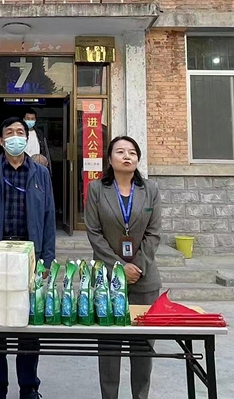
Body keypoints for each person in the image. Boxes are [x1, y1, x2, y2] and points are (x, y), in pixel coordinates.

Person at [0, 116, 56, 399]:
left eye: (21, 132)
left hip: (29, 256)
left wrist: (47, 259)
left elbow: (49, 218)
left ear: (26, 139)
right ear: (1, 140)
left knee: (28, 325)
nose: (16, 136)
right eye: (10, 132)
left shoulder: (40, 173)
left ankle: (29, 387)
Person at [84, 135, 162, 399]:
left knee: (142, 348)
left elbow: (153, 233)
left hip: (144, 278)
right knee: (109, 348)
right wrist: (118, 268)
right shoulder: (97, 189)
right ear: (109, 158)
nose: (127, 156)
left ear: (137, 158)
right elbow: (94, 233)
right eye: (120, 151)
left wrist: (136, 266)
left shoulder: (150, 189)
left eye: (132, 152)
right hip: (108, 280)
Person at [23, 108, 52, 174]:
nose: (30, 121)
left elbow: (45, 151)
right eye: (28, 118)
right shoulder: (19, 134)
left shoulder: (39, 133)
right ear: (24, 119)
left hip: (38, 166)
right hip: (24, 165)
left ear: (35, 120)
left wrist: (49, 169)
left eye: (32, 119)